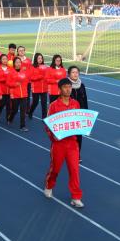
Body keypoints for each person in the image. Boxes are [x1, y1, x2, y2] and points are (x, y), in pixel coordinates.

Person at [44, 78, 84, 208]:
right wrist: (54, 137)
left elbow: (79, 121)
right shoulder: (54, 105)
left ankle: (76, 197)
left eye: (69, 87)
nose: (68, 89)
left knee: (74, 170)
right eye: (65, 87)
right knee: (55, 169)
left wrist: (84, 127)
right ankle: (49, 185)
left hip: (72, 143)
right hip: (58, 144)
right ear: (60, 89)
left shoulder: (75, 104)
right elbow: (48, 125)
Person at [68, 66, 88, 159]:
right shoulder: (66, 85)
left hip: (80, 114)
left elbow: (85, 99)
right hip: (69, 115)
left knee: (79, 136)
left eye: (77, 72)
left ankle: (77, 154)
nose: (75, 74)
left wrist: (86, 114)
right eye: (73, 72)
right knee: (69, 136)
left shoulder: (82, 85)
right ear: (69, 74)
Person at [7, 57, 30, 131]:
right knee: (15, 110)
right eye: (17, 62)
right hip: (15, 94)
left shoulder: (24, 72)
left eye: (19, 62)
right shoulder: (11, 72)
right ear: (14, 63)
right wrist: (15, 84)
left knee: (23, 110)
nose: (18, 64)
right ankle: (10, 118)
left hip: (24, 94)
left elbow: (27, 81)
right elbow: (8, 83)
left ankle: (22, 126)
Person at [28, 53, 48, 119]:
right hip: (36, 88)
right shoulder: (32, 67)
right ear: (36, 59)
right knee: (35, 102)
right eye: (39, 58)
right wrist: (39, 77)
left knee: (44, 104)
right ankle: (30, 112)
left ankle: (44, 118)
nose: (40, 59)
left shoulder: (45, 67)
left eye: (41, 58)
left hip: (44, 88)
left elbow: (47, 76)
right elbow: (30, 78)